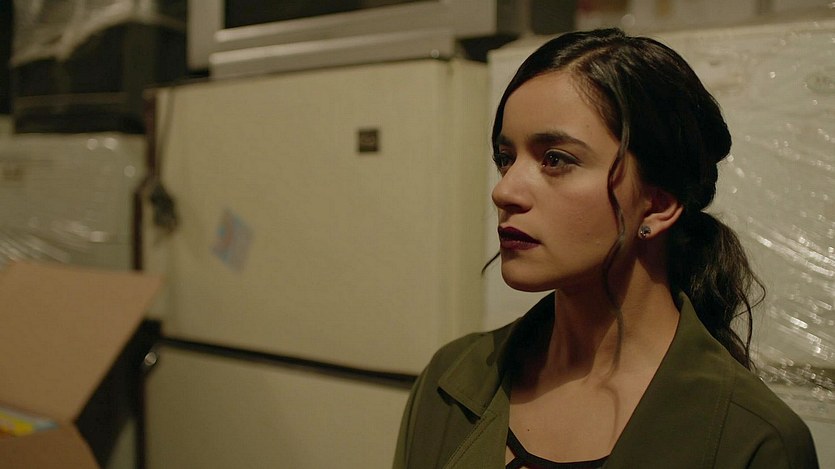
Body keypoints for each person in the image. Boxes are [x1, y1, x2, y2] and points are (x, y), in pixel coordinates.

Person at [393, 28, 819, 468]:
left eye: (555, 159)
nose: (504, 191)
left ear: (658, 204)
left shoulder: (750, 439)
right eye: (506, 158)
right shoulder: (452, 379)